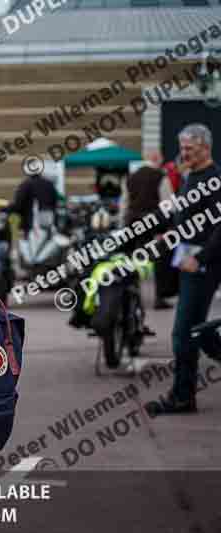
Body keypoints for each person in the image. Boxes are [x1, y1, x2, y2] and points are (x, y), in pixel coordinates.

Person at [148, 124, 221, 415]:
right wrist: (172, 236)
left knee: (184, 333)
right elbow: (193, 220)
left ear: (206, 147)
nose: (184, 153)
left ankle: (182, 396)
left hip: (202, 266)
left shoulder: (214, 179)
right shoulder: (193, 176)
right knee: (192, 330)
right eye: (183, 147)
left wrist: (201, 258)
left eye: (190, 148)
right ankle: (183, 393)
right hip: (189, 261)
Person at [119, 151, 177, 309]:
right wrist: (169, 226)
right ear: (157, 159)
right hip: (154, 223)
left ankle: (133, 296)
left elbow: (124, 204)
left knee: (132, 259)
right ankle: (159, 297)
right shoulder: (161, 176)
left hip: (132, 222)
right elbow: (168, 205)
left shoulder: (130, 177)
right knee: (160, 260)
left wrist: (123, 224)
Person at [6, 164, 59, 236]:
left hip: (32, 222)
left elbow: (18, 204)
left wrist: (8, 209)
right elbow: (55, 202)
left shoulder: (26, 185)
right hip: (48, 220)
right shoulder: (49, 184)